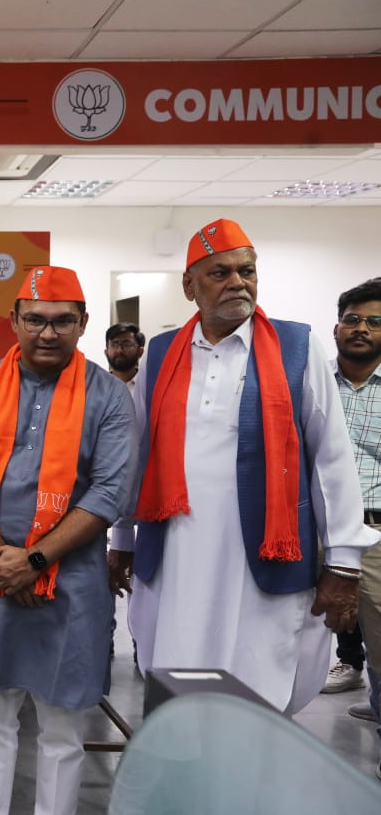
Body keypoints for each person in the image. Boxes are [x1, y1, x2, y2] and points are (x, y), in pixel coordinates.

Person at [110, 219, 377, 716]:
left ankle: (249, 781)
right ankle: (189, 780)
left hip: (264, 551)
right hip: (175, 550)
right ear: (189, 286)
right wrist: (122, 540)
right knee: (178, 676)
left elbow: (331, 457)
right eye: (220, 272)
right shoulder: (163, 353)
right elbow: (139, 455)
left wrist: (343, 560)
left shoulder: (298, 347)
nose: (238, 282)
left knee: (259, 674)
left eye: (247, 270)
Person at [0, 265, 136, 815]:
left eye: (62, 321)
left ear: (83, 323)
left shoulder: (109, 398)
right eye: (36, 320)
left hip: (70, 586)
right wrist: (6, 557)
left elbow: (109, 492)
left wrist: (38, 559)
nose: (48, 333)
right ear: (15, 320)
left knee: (63, 724)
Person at [328, 278, 381, 773]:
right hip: (311, 532)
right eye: (353, 319)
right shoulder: (312, 381)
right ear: (337, 327)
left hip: (374, 531)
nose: (361, 328)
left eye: (374, 321)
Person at [103, 322, 144, 395]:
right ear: (106, 352)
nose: (120, 350)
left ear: (140, 352)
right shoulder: (97, 387)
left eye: (127, 345)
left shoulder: (148, 386)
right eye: (114, 344)